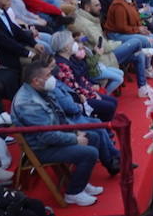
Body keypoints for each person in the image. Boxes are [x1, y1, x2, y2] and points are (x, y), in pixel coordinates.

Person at [11, 61, 103, 206]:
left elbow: (60, 117)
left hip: (54, 137)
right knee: (89, 153)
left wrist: (75, 131)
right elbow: (46, 136)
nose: (52, 77)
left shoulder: (42, 91)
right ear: (36, 80)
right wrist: (74, 139)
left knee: (93, 137)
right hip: (42, 148)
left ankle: (81, 182)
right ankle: (73, 193)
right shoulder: (28, 103)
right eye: (48, 75)